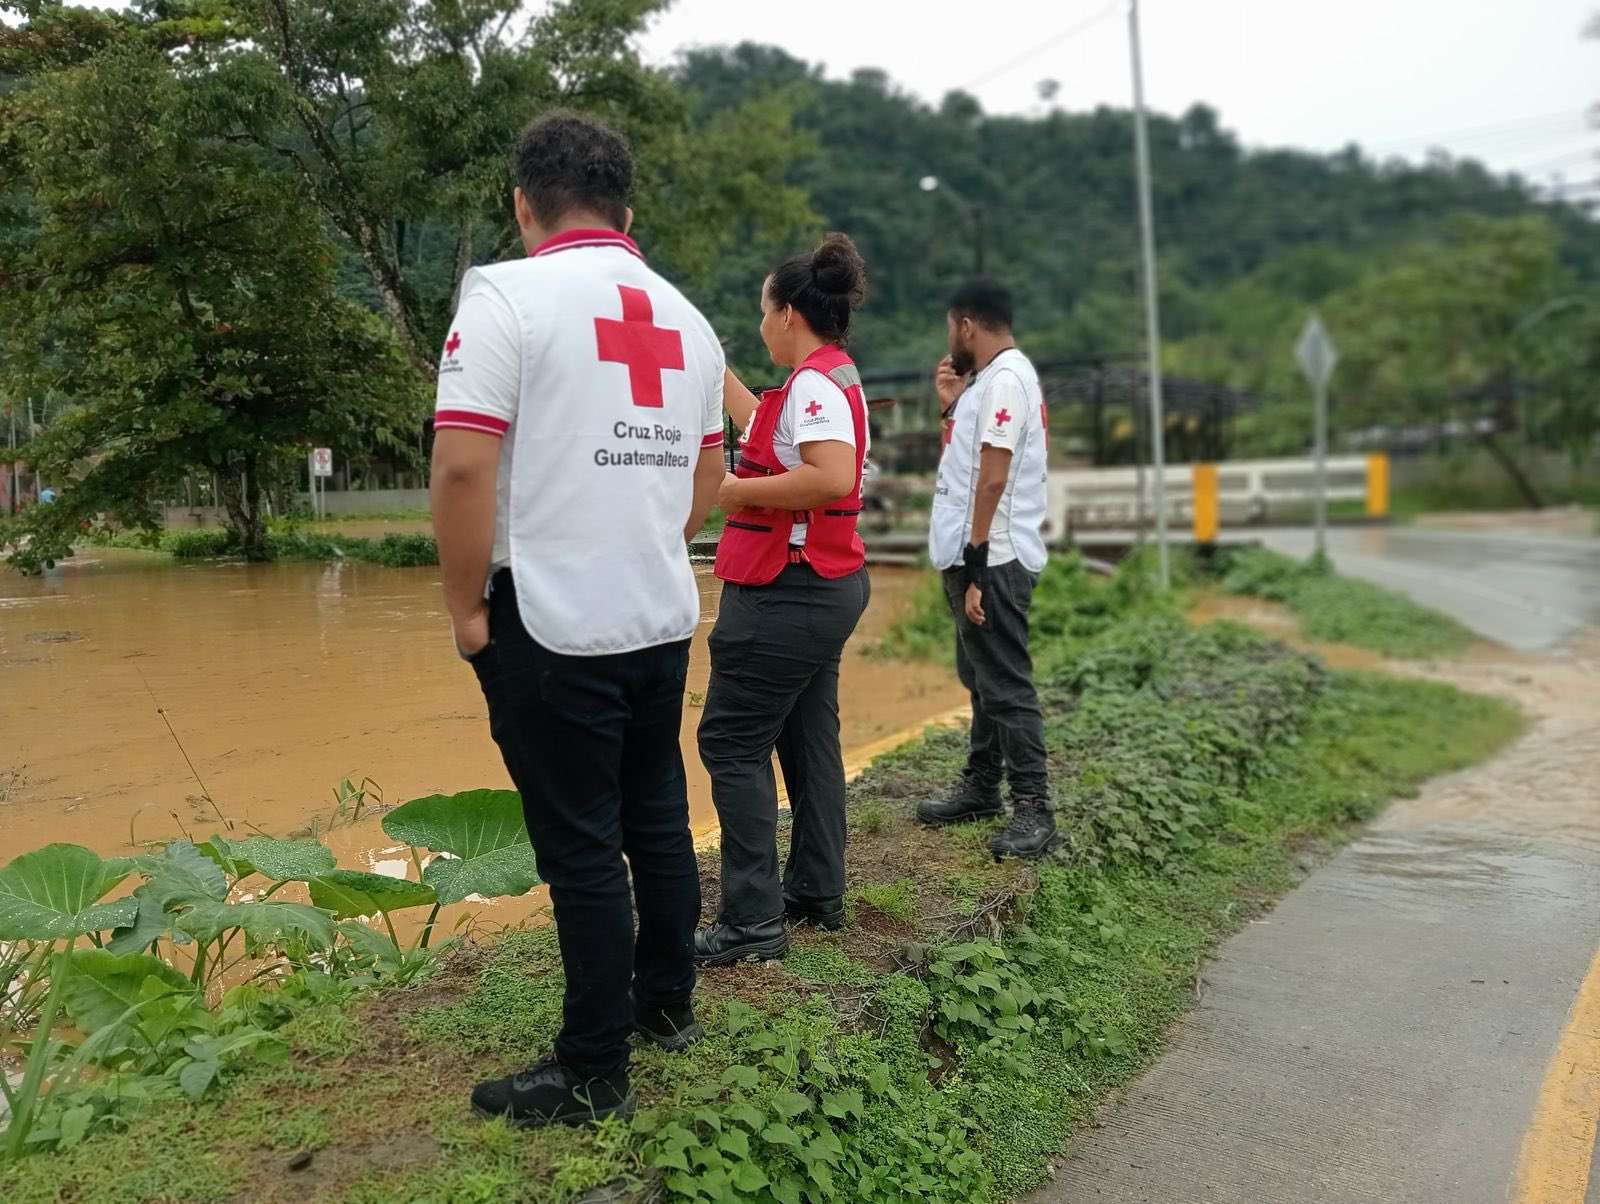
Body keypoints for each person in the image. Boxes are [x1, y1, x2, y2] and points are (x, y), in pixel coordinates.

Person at [429, 111, 726, 1128]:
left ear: (524, 204)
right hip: (658, 615)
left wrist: (465, 609)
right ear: (625, 212)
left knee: (582, 850)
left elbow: (462, 467)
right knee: (656, 816)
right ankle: (667, 1004)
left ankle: (595, 1068)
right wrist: (646, 538)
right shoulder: (688, 321)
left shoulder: (503, 298)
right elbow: (709, 475)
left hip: (549, 623)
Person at [694, 234, 873, 966]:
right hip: (824, 586)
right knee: (806, 737)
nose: (762, 323)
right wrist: (712, 367)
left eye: (764, 311)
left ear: (789, 314)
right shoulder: (826, 377)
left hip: (785, 590)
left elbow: (832, 475)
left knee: (730, 744)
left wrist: (735, 491)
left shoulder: (812, 387)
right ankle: (816, 890)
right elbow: (763, 427)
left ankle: (751, 923)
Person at [915, 277, 1056, 860]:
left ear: (967, 325)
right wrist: (952, 404)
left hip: (992, 558)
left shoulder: (1004, 380)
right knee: (982, 679)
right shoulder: (989, 382)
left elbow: (993, 479)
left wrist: (975, 566)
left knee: (1006, 684)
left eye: (952, 327)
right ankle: (982, 787)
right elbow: (967, 465)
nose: (950, 339)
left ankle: (1034, 807)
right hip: (977, 554)